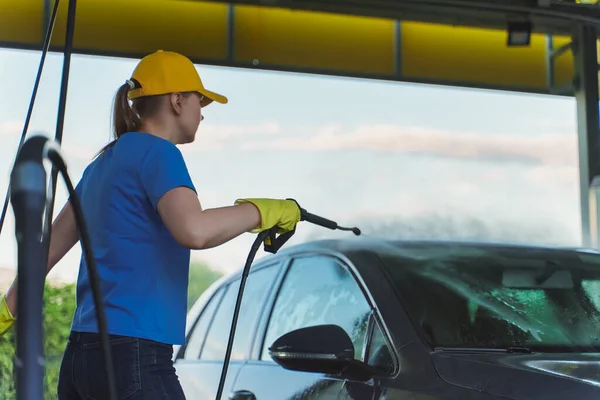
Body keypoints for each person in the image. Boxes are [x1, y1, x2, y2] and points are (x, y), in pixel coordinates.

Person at [0, 50, 301, 399]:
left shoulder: (100, 166)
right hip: (134, 356)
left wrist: (7, 308)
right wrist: (266, 210)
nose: (202, 114)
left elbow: (45, 251)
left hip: (80, 359)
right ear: (177, 100)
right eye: (198, 101)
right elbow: (194, 230)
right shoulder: (160, 154)